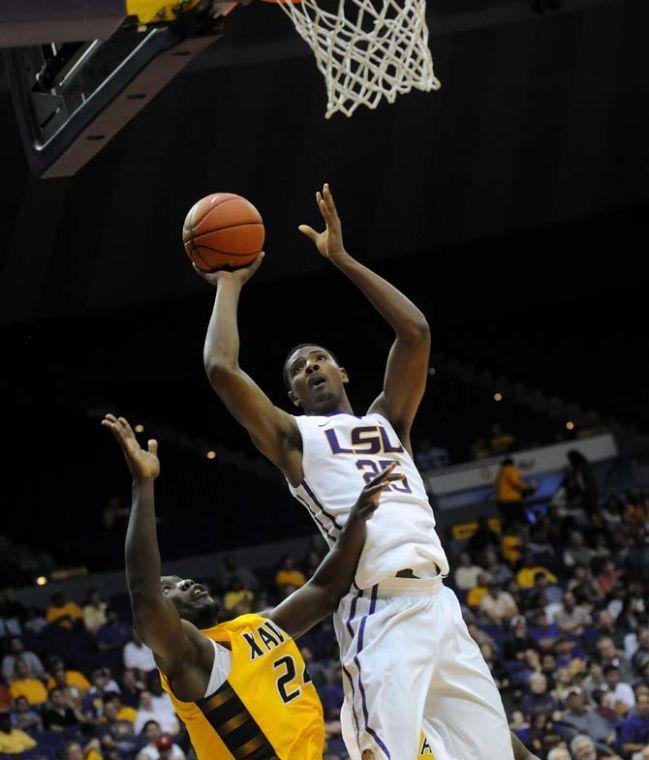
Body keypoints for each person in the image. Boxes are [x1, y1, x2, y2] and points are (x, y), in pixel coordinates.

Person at [197, 183, 521, 760]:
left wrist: (342, 260)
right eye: (298, 370)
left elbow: (416, 332)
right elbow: (222, 369)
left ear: (343, 372)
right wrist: (228, 285)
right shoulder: (296, 439)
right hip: (378, 611)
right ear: (292, 395)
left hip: (440, 605)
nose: (311, 367)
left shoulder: (389, 420)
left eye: (319, 359)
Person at [102, 412, 399, 759]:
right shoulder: (190, 657)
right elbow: (145, 595)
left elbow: (325, 590)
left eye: (183, 580)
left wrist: (357, 518)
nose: (186, 582)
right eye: (172, 587)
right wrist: (144, 484)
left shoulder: (257, 627)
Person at [496, 458, 536, 527]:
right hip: (512, 501)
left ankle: (510, 531)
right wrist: (528, 487)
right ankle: (529, 528)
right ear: (511, 464)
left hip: (502, 502)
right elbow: (515, 482)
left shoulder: (500, 474)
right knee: (521, 519)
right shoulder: (511, 469)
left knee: (511, 520)